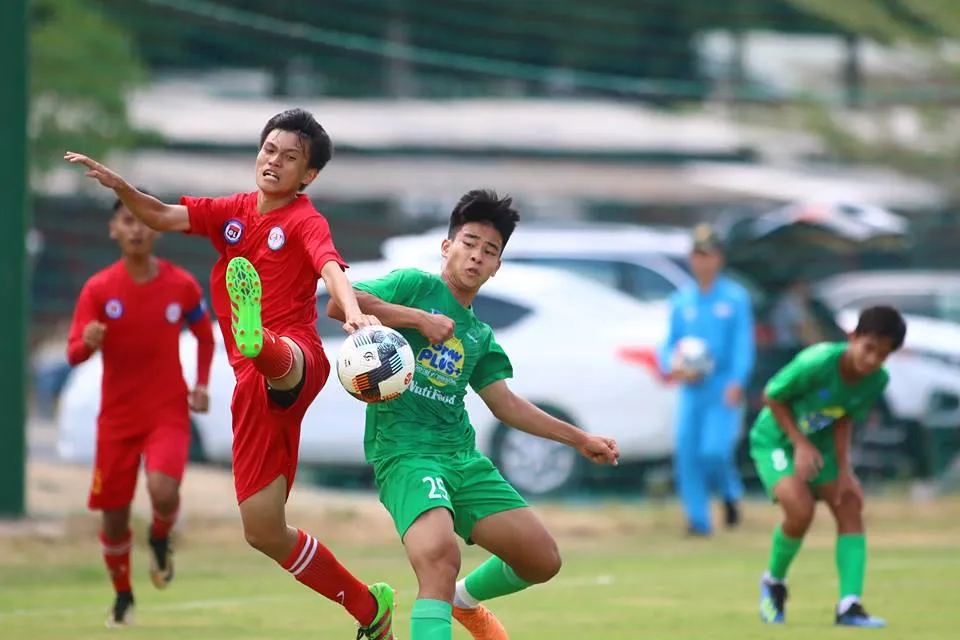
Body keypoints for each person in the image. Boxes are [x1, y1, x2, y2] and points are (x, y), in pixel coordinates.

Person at [64, 108, 397, 639]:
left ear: (308, 175)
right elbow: (160, 215)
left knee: (281, 362)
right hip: (251, 388)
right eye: (269, 149)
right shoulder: (233, 211)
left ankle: (258, 338)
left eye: (290, 157)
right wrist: (119, 185)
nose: (274, 161)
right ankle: (370, 608)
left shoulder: (306, 220)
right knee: (263, 531)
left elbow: (330, 267)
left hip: (298, 356)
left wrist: (353, 312)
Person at [327, 190, 621, 640]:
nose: (477, 255)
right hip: (406, 454)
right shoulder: (415, 285)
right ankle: (444, 601)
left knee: (541, 560)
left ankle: (464, 600)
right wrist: (417, 319)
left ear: (497, 266)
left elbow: (507, 405)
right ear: (447, 246)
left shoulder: (480, 335)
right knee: (439, 559)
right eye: (469, 242)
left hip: (463, 459)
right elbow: (339, 303)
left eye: (490, 250)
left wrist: (580, 439)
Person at [66, 196, 215, 627]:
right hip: (117, 418)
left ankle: (160, 537)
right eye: (126, 221)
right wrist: (88, 343)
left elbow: (205, 336)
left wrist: (201, 385)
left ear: (157, 226)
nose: (136, 229)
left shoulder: (181, 285)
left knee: (163, 491)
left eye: (143, 221)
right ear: (113, 230)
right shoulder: (98, 289)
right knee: (113, 517)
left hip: (167, 411)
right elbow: (73, 352)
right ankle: (123, 595)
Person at [752, 305, 906, 629]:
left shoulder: (876, 380)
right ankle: (773, 582)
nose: (872, 360)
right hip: (776, 439)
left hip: (819, 444)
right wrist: (799, 443)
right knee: (800, 510)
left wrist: (845, 472)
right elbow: (772, 396)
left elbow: (844, 418)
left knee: (848, 503)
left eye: (882, 355)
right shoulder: (818, 362)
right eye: (868, 348)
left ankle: (849, 606)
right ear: (852, 337)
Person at [658, 223, 755, 536]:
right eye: (698, 255)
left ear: (719, 258)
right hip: (691, 388)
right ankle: (698, 521)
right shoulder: (681, 301)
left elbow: (742, 344)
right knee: (687, 454)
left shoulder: (735, 298)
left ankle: (729, 493)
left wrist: (737, 380)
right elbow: (669, 343)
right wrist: (670, 365)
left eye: (709, 255)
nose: (703, 262)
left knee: (715, 451)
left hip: (721, 385)